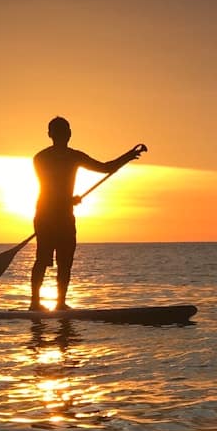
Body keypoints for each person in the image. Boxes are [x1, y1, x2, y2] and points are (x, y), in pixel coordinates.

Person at [30, 116, 144, 310]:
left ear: (69, 134)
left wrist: (128, 156)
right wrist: (68, 200)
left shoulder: (75, 156)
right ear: (50, 134)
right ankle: (35, 303)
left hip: (65, 217)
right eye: (59, 131)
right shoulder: (41, 158)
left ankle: (60, 304)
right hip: (46, 216)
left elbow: (106, 168)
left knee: (65, 261)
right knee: (43, 259)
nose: (64, 135)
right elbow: (49, 187)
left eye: (66, 131)